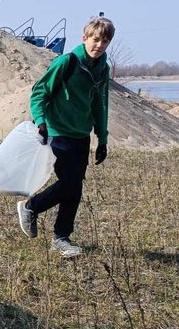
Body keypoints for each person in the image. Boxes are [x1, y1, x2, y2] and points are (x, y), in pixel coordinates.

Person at [17, 16, 114, 258]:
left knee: (75, 188)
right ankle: (31, 207)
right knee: (70, 183)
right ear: (84, 38)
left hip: (81, 135)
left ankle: (61, 238)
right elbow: (39, 92)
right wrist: (40, 121)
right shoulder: (67, 62)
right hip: (57, 132)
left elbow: (100, 104)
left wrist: (102, 138)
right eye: (95, 39)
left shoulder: (103, 68)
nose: (99, 45)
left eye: (104, 41)